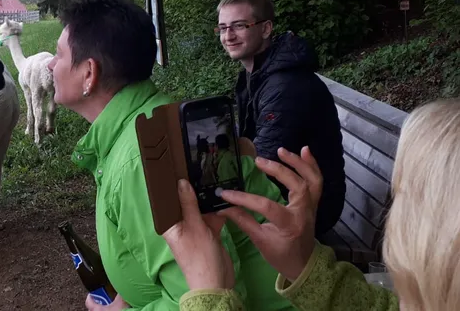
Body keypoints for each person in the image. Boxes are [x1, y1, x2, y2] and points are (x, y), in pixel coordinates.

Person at [47, 0, 297, 311]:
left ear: (89, 74)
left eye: (58, 54)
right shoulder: (149, 122)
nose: (51, 64)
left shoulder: (144, 158)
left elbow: (211, 296)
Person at [161, 99, 460, 310]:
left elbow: (265, 147)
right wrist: (305, 266)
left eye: (403, 195)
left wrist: (208, 293)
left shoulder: (286, 85)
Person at [216, 0, 345, 236]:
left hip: (309, 206)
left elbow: (264, 161)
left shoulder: (286, 85)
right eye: (223, 28)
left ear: (265, 29)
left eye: (239, 26)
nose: (228, 36)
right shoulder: (256, 75)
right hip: (288, 192)